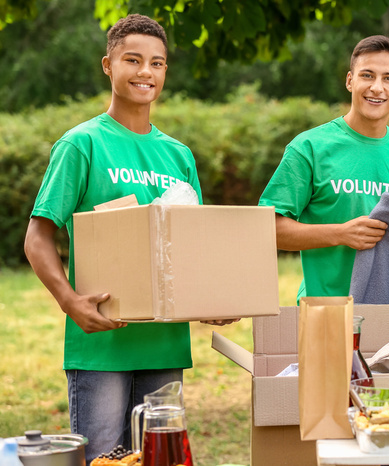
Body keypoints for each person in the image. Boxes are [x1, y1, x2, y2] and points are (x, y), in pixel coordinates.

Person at [23, 14, 231, 463]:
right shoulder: (82, 144)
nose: (145, 72)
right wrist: (69, 300)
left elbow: (191, 244)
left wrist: (212, 299)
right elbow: (37, 237)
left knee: (161, 459)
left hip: (165, 344)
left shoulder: (178, 154)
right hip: (101, 343)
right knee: (103, 459)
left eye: (156, 63)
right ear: (107, 65)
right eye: (132, 60)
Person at [258, 35, 389, 300]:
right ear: (350, 81)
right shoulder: (310, 147)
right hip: (325, 312)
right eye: (367, 75)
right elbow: (267, 229)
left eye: (388, 78)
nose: (377, 88)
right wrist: (341, 233)